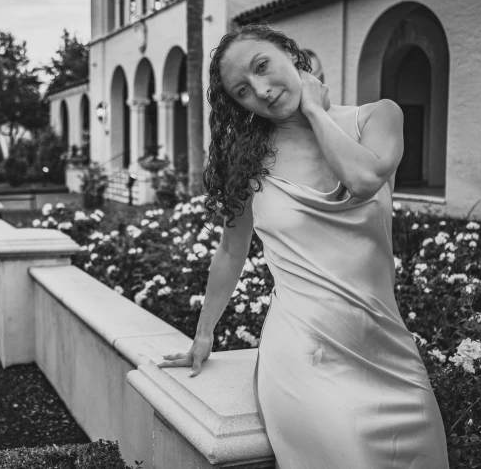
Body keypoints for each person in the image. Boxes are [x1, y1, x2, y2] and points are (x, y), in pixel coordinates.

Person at [156, 24, 449, 468]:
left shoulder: (376, 117)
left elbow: (364, 180)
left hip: (390, 351)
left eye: (262, 67)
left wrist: (315, 111)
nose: (262, 90)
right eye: (243, 91)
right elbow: (231, 252)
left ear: (290, 53)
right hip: (305, 356)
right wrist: (203, 333)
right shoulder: (249, 164)